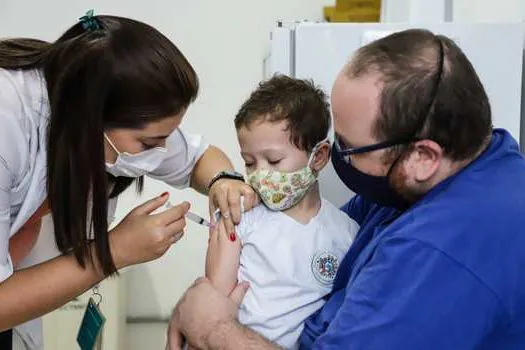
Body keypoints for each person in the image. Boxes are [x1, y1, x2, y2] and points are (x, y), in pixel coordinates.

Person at [167, 29, 525, 349]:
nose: (338, 159)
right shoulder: (473, 163)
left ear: (423, 155)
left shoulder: (440, 251)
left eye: (350, 149)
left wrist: (214, 327)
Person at [0, 11, 256, 350]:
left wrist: (224, 179)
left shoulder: (87, 101)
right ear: (90, 120)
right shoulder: (8, 125)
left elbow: (200, 158)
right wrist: (114, 252)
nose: (162, 152)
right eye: (150, 144)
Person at [200, 75, 359, 349]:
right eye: (250, 162)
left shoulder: (347, 231)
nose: (261, 174)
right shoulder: (238, 219)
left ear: (319, 156)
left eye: (274, 160)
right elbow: (210, 312)